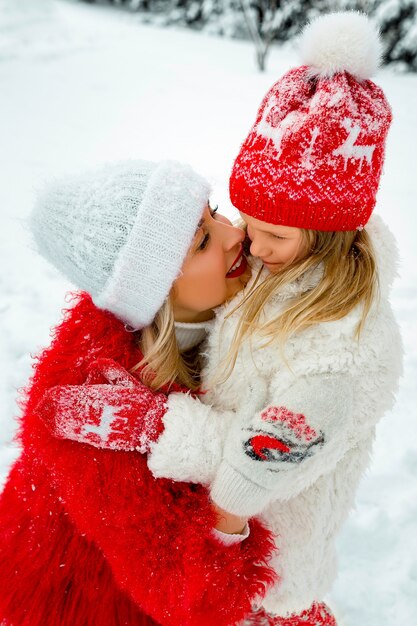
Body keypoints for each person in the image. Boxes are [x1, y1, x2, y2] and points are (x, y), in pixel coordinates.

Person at [41, 12, 403, 626]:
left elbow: (269, 451)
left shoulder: (335, 345)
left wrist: (163, 430)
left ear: (328, 233)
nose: (244, 240)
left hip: (268, 576)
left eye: (269, 233)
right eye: (227, 224)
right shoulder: (279, 266)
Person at [0, 159, 277, 626]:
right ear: (155, 291)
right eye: (204, 241)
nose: (235, 235)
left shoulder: (224, 302)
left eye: (212, 213)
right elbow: (191, 600)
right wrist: (240, 487)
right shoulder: (91, 416)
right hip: (98, 603)